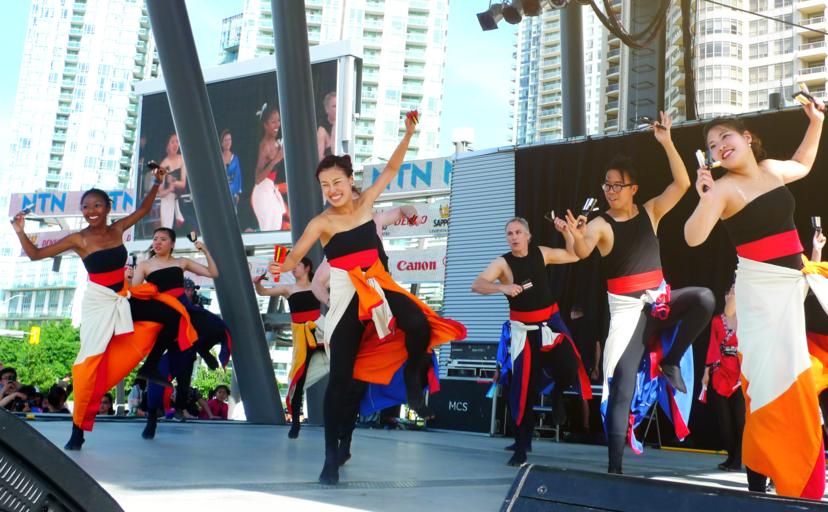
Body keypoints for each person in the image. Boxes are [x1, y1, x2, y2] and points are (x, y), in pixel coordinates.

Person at [269, 114, 466, 485]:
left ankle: (413, 380)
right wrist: (279, 266)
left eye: (337, 182)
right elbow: (294, 257)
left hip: (378, 284)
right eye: (325, 185)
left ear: (350, 180)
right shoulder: (321, 223)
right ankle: (331, 457)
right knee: (341, 381)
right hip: (346, 295)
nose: (332, 190)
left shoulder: (366, 206)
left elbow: (391, 168)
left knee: (419, 323)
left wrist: (408, 133)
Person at [684, 100, 827, 499]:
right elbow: (693, 237)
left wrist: (816, 122)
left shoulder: (770, 170)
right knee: (770, 385)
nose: (719, 146)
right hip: (762, 296)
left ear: (747, 138)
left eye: (725, 136)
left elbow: (803, 163)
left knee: (803, 373)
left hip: (797, 282)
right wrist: (705, 197)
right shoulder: (722, 189)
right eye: (712, 145)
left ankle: (793, 466)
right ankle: (768, 481)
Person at [567, 112, 714, 474]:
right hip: (628, 315)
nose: (610, 191)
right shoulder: (601, 224)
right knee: (621, 386)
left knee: (704, 298)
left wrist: (667, 142)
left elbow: (681, 183)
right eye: (607, 185)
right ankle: (614, 468)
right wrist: (575, 235)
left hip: (660, 301)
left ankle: (671, 361)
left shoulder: (651, 212)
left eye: (617, 185)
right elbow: (582, 251)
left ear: (633, 188)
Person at [11, 175, 197, 450]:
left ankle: (150, 366)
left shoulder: (117, 228)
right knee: (89, 366)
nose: (91, 211)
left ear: (108, 207)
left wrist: (157, 182)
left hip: (122, 297)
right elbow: (36, 254)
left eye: (97, 205)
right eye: (86, 207)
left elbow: (144, 210)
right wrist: (19, 230)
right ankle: (77, 431)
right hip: (99, 303)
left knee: (173, 313)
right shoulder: (78, 238)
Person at [472, 217, 591, 466]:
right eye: (509, 233)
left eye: (518, 232)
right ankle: (521, 446)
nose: (514, 237)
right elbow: (478, 284)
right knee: (523, 388)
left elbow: (574, 255)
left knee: (571, 364)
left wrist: (567, 233)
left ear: (528, 235)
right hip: (523, 330)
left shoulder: (542, 253)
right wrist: (502, 288)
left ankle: (557, 394)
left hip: (550, 322)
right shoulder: (503, 263)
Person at [133, 227, 231, 439]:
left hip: (184, 314)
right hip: (162, 316)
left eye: (163, 239)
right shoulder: (145, 266)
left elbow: (213, 273)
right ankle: (152, 419)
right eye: (155, 239)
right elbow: (134, 293)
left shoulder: (181, 262)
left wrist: (204, 250)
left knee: (216, 328)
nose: (157, 242)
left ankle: (201, 351)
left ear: (172, 244)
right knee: (158, 374)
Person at [255, 257, 326, 439]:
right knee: (297, 381)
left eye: (298, 265)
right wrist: (257, 283)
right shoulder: (289, 289)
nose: (294, 269)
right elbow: (263, 292)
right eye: (293, 266)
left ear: (307, 268)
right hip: (301, 337)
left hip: (320, 330)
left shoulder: (318, 285)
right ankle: (295, 423)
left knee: (345, 358)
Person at [702, 283, 743, 472]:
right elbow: (712, 346)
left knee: (741, 420)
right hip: (721, 373)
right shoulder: (717, 321)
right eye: (730, 291)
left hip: (741, 375)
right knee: (724, 422)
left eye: (735, 291)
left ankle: (738, 459)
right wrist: (706, 371)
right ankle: (731, 456)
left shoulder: (747, 320)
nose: (731, 294)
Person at [252, 106, 287, 231]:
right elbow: (258, 179)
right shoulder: (264, 146)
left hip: (270, 190)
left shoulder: (276, 142)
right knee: (269, 230)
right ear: (265, 125)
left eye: (278, 120)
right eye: (273, 122)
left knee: (276, 227)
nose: (277, 124)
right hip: (262, 192)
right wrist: (276, 160)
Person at [157, 133, 187, 230]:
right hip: (167, 201)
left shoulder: (182, 159)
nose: (175, 144)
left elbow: (183, 183)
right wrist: (169, 189)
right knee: (167, 231)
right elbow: (161, 193)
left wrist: (172, 182)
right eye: (172, 142)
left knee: (190, 231)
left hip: (181, 200)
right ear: (167, 146)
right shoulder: (162, 166)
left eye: (177, 141)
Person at [221, 129, 242, 209]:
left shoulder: (235, 158)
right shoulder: (218, 158)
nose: (228, 142)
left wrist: (237, 193)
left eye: (229, 139)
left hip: (232, 193)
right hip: (222, 191)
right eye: (226, 140)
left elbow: (238, 176)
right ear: (222, 143)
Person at [317, 91, 336, 160]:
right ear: (327, 109)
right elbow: (319, 157)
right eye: (334, 106)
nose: (338, 109)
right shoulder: (322, 130)